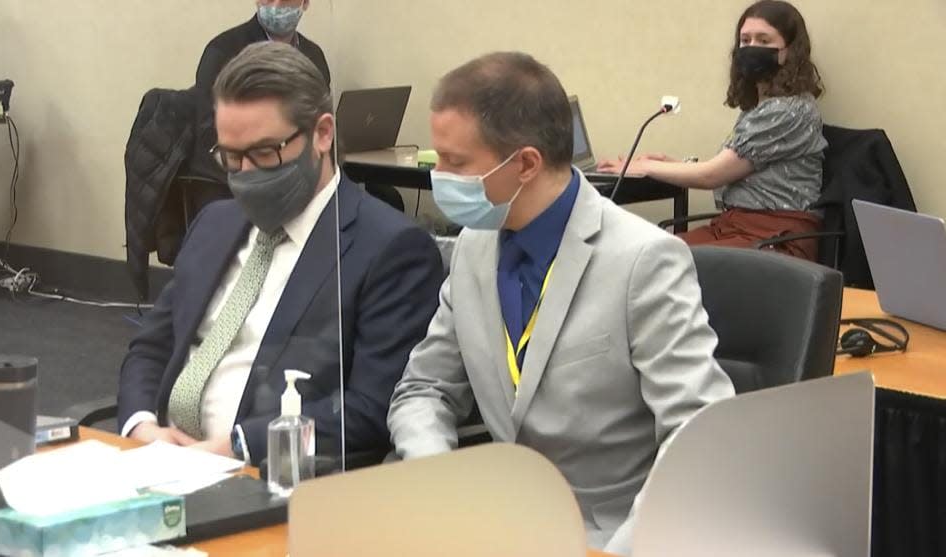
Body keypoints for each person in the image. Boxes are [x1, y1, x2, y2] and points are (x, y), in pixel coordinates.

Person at [386, 52, 734, 554]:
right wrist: (439, 481)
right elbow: (424, 389)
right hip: (492, 526)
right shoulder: (474, 246)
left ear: (525, 163)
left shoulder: (644, 260)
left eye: (455, 162)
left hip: (608, 534)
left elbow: (700, 438)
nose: (438, 176)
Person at [118, 43, 443, 467]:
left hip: (269, 475)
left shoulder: (390, 249)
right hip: (162, 461)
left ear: (322, 134)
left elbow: (369, 409)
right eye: (231, 157)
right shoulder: (214, 223)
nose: (247, 173)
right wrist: (142, 426)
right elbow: (152, 346)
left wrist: (236, 447)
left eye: (266, 152)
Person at [599, 0, 826, 261]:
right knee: (645, 253)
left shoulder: (789, 111)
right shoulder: (762, 106)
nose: (752, 47)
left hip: (776, 237)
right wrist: (671, 164)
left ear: (789, 51)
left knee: (655, 261)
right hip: (736, 227)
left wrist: (644, 168)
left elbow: (712, 176)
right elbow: (733, 168)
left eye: (764, 41)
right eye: (746, 40)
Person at [196, 0, 329, 92]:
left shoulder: (314, 57)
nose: (276, 5)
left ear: (305, 3)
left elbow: (323, 119)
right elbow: (208, 127)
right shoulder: (223, 51)